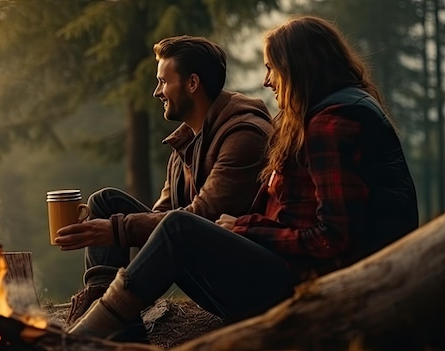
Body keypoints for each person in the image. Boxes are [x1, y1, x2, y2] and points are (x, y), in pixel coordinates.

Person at [65, 15, 419, 343]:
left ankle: (85, 336)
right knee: (108, 203)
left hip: (308, 287)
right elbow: (170, 210)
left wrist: (248, 228)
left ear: (298, 68)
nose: (266, 80)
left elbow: (334, 240)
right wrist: (119, 225)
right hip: (283, 269)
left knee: (178, 227)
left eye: (272, 68)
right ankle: (116, 334)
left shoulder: (329, 125)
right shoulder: (311, 119)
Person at [54, 35, 273, 333]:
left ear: (192, 83)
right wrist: (110, 227)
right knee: (104, 202)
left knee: (174, 224)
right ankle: (105, 314)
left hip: (245, 285)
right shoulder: (185, 141)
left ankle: (93, 330)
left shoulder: (245, 135)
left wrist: (114, 230)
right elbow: (161, 217)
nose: (157, 92)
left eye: (163, 82)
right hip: (201, 266)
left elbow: (201, 217)